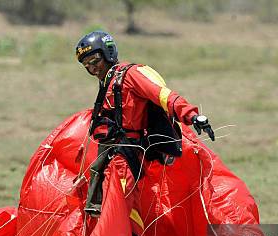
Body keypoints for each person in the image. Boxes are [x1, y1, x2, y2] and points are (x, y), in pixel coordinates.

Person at [75, 30, 215, 218]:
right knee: (107, 206)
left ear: (108, 53)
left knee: (119, 209)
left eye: (95, 60)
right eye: (87, 65)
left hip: (127, 155)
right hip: (111, 153)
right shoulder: (108, 81)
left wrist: (192, 115)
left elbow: (162, 95)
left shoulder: (130, 74)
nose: (93, 69)